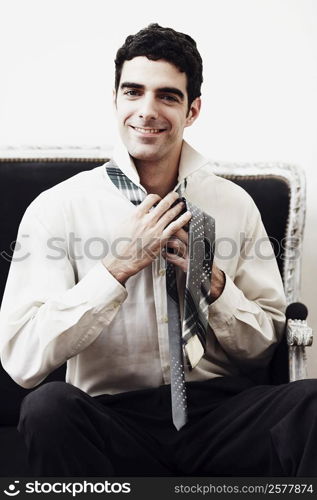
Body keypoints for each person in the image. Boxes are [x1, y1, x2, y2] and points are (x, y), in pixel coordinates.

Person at [0, 23, 316, 477]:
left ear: (193, 110)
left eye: (167, 96)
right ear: (115, 100)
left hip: (221, 417)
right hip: (112, 419)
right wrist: (115, 269)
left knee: (311, 403)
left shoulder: (234, 205)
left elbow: (265, 347)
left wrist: (215, 287)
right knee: (48, 408)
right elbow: (23, 360)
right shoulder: (57, 210)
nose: (147, 111)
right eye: (133, 92)